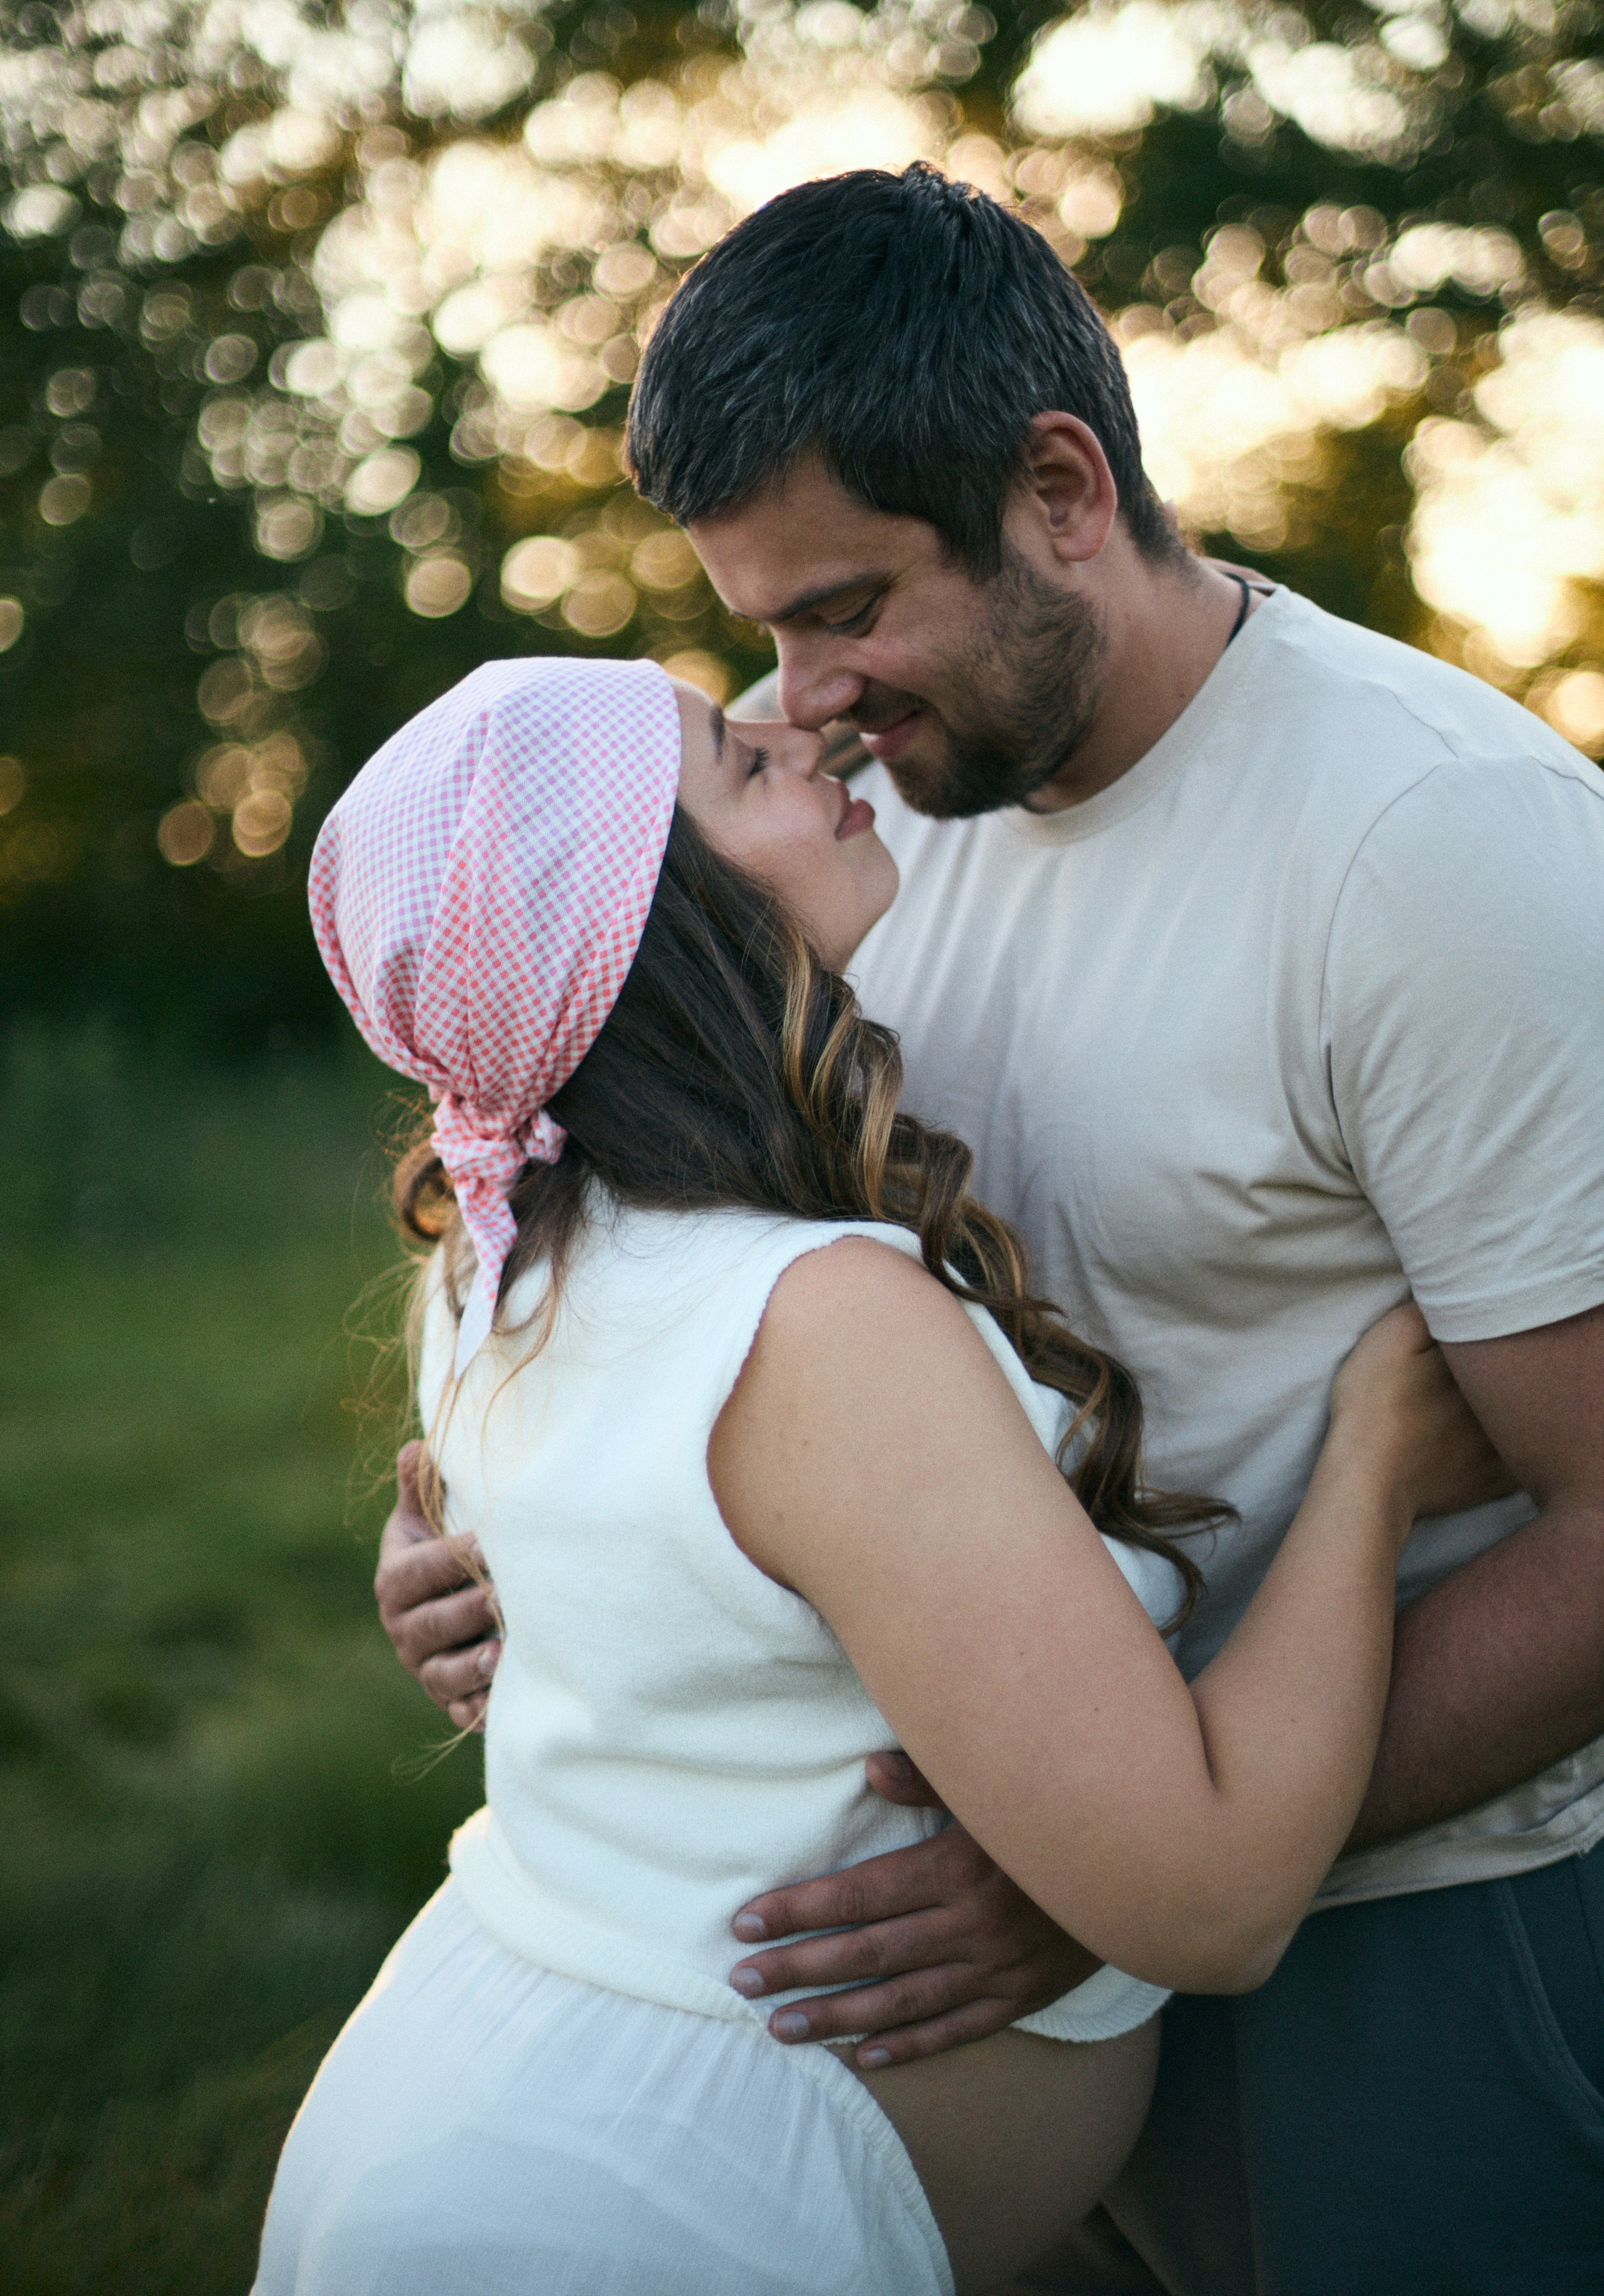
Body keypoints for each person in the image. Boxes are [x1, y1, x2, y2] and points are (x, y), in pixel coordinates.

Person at [381, 166, 1604, 2294]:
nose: (805, 696)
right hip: (938, 1971)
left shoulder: (1436, 845)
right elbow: (726, 1331)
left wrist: (1110, 1862)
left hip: (1397, 1934)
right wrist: (526, 1546)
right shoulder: (855, 840)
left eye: (847, 606)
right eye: (762, 628)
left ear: (1058, 491)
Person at [256, 655, 1503, 2296]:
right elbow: (1207, 1903)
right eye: (727, 751)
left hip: (481, 2091)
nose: (801, 731)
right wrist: (1378, 1461)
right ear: (651, 908)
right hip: (627, 2216)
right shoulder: (815, 1324)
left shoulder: (513, 1252)